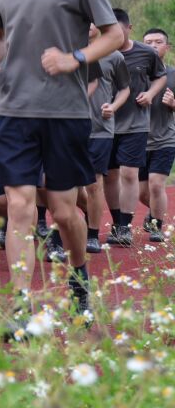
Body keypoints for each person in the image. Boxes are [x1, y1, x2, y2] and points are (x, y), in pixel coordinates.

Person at [0, 0, 123, 332]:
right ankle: (20, 308)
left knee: (63, 212)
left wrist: (74, 59)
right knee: (19, 206)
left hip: (65, 113)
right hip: (11, 110)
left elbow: (113, 36)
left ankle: (80, 283)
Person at [103, 8, 166, 246]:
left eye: (119, 32)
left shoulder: (146, 53)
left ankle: (124, 226)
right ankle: (117, 220)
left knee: (129, 173)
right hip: (106, 125)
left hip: (136, 123)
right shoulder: (100, 52)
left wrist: (150, 93)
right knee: (110, 176)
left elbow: (159, 76)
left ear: (129, 29)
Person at [81, 25, 129, 255]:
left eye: (93, 20)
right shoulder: (69, 50)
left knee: (93, 183)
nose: (89, 25)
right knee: (65, 185)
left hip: (100, 129)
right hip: (68, 127)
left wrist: (113, 106)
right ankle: (75, 222)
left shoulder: (115, 55)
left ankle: (92, 234)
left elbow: (124, 89)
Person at [138, 27, 173, 240]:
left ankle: (156, 227)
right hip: (139, 140)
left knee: (156, 184)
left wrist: (173, 103)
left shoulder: (173, 74)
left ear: (166, 48)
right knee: (142, 193)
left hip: (165, 139)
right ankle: (155, 211)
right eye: (148, 42)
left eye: (158, 42)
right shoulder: (135, 73)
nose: (152, 45)